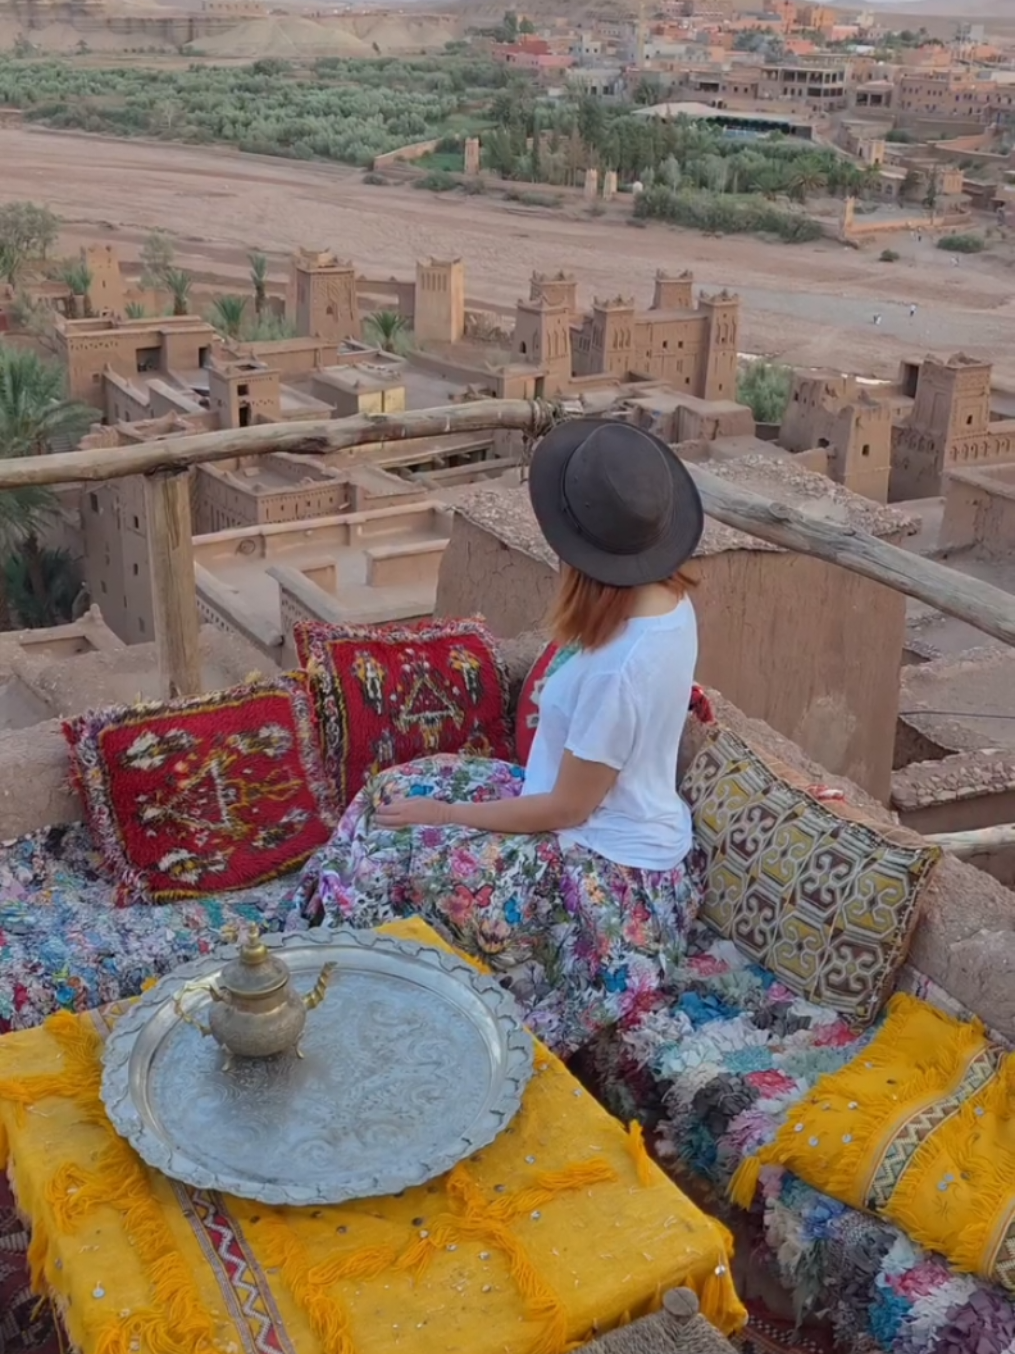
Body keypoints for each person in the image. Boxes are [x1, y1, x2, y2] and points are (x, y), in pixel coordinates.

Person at [288, 419, 706, 1057]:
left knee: (395, 848)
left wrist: (447, 815)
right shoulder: (666, 604)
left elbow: (568, 808)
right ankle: (324, 943)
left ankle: (345, 1003)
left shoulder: (620, 670)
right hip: (574, 811)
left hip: (600, 873)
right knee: (390, 793)